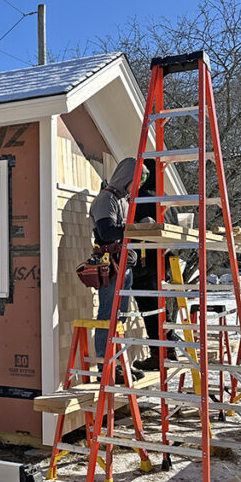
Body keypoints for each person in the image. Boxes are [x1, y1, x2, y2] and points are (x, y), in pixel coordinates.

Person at [89, 158, 145, 381]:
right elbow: (107, 232)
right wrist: (134, 230)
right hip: (109, 265)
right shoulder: (106, 199)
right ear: (127, 177)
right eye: (136, 181)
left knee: (119, 316)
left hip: (122, 264)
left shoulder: (124, 200)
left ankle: (117, 364)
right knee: (108, 314)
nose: (138, 186)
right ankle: (105, 365)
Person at [132, 159, 180, 371]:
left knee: (150, 309)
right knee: (161, 307)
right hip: (165, 260)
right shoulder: (167, 201)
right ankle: (168, 350)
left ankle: (158, 354)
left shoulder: (140, 199)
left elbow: (132, 231)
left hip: (145, 261)